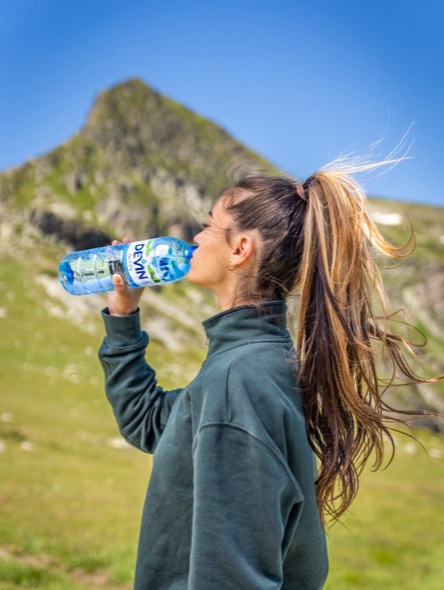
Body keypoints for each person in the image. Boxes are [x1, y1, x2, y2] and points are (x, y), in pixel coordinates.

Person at [98, 161, 440, 589]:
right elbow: (148, 423)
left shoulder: (240, 378)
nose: (195, 238)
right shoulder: (250, 363)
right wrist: (123, 311)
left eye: (207, 226)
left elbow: (233, 579)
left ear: (240, 249)